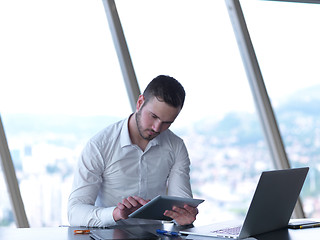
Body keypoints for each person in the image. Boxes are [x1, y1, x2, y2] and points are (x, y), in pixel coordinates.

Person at [68, 75, 198, 227]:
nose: (157, 128)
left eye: (167, 123)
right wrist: (115, 214)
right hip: (108, 234)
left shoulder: (176, 146)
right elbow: (74, 213)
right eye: (153, 116)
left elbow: (181, 206)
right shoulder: (99, 146)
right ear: (140, 103)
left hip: (155, 237)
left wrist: (184, 218)